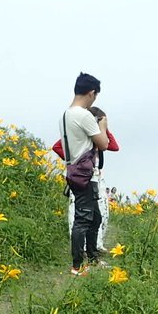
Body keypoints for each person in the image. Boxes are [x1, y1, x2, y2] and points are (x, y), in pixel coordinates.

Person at [60, 72, 109, 275]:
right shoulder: (83, 115)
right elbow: (104, 144)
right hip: (84, 175)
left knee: (94, 217)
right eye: (95, 96)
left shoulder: (66, 114)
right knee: (83, 219)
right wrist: (103, 125)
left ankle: (92, 258)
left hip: (76, 171)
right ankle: (77, 266)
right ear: (91, 93)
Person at [53, 105, 120, 252]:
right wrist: (74, 162)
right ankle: (80, 253)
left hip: (94, 178)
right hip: (80, 177)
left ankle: (94, 248)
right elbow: (57, 146)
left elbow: (114, 146)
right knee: (80, 215)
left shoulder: (97, 136)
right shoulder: (78, 135)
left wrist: (104, 130)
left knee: (97, 216)